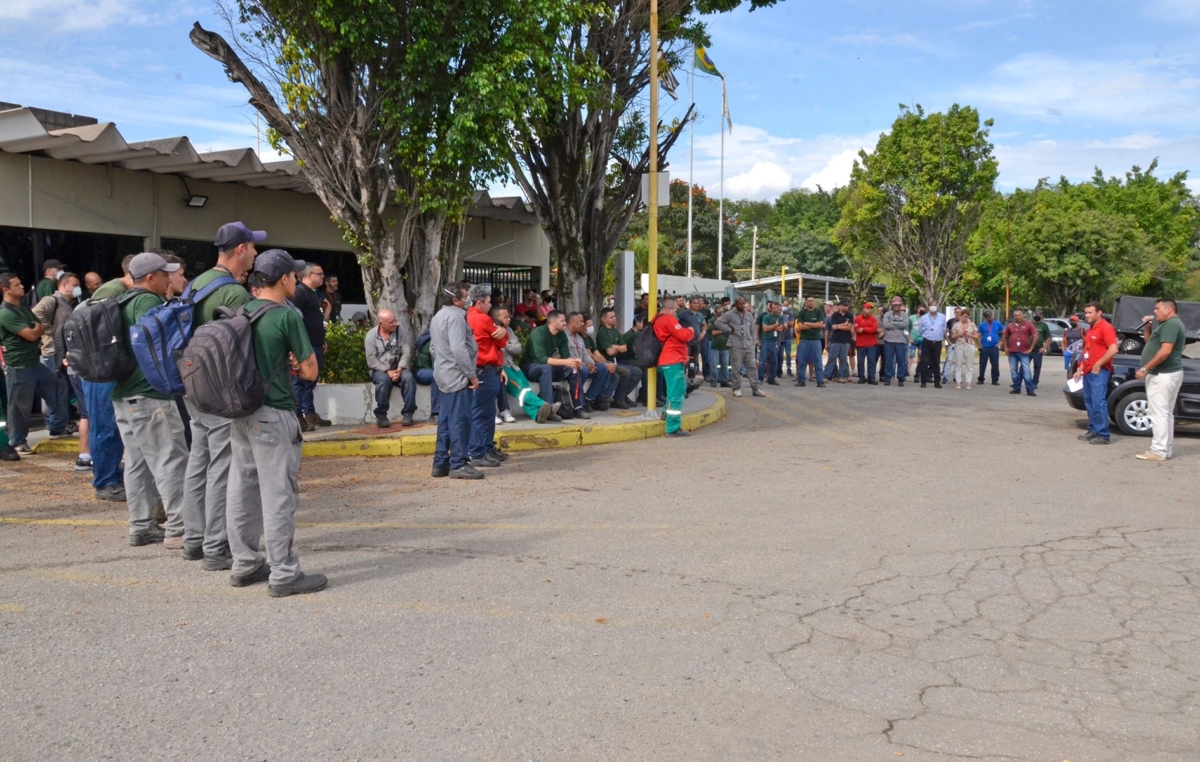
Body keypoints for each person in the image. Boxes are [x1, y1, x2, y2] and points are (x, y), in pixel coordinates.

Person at [225, 249, 327, 596]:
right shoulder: (286, 316)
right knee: (278, 493)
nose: (297, 281)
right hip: (274, 412)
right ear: (283, 279)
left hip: (241, 411)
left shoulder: (244, 310)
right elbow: (310, 370)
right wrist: (294, 364)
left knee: (242, 488)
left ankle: (244, 563)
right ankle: (284, 573)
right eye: (294, 277)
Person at [180, 221, 261, 570]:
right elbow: (246, 349)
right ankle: (216, 546)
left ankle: (193, 538)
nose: (256, 253)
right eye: (253, 247)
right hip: (219, 391)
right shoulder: (235, 294)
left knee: (198, 461)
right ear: (240, 249)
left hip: (192, 385)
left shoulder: (196, 284)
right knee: (223, 466)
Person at [110, 253, 189, 547]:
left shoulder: (123, 301)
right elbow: (156, 347)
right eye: (164, 274)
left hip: (124, 395)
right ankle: (180, 528)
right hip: (150, 395)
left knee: (137, 463)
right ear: (151, 278)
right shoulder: (147, 302)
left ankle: (141, 526)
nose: (169, 279)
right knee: (170, 460)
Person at [84, 255, 135, 502]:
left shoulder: (112, 289)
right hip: (101, 368)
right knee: (105, 425)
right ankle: (105, 481)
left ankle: (110, 473)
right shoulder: (113, 292)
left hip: (102, 367)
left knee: (109, 425)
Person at [0, 273, 67, 457]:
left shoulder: (21, 306)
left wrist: (35, 330)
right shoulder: (5, 312)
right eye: (17, 284)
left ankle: (57, 426)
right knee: (20, 405)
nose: (22, 286)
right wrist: (35, 330)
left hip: (33, 363)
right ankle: (17, 441)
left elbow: (39, 326)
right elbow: (31, 334)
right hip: (18, 365)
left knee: (56, 385)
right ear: (6, 290)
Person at [430, 282, 481, 479]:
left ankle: (440, 463)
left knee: (445, 420)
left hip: (443, 374)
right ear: (455, 299)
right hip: (457, 376)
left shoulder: (438, 316)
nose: (467, 299)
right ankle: (459, 463)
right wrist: (472, 375)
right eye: (464, 296)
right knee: (460, 420)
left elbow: (434, 348)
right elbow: (459, 349)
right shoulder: (457, 317)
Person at [1134, 298, 1186, 461]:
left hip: (1162, 374)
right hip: (1168, 374)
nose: (1154, 311)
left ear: (1169, 310)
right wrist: (1148, 328)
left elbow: (1165, 352)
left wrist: (1145, 368)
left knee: (1159, 414)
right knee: (1166, 413)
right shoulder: (1167, 325)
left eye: (1157, 308)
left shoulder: (1171, 325)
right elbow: (1151, 344)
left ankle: (1158, 450)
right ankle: (1165, 449)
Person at [31, 271, 79, 445]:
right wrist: (50, 330)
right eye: (74, 285)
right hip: (53, 352)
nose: (77, 288)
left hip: (66, 351)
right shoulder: (52, 300)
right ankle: (55, 425)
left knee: (65, 389)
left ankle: (62, 423)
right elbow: (36, 313)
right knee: (57, 390)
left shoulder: (70, 303)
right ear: (64, 285)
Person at [494, 304, 558, 423]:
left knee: (525, 389)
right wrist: (505, 344)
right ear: (496, 318)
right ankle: (545, 406)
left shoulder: (509, 330)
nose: (509, 319)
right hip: (502, 366)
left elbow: (518, 348)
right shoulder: (492, 331)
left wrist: (505, 344)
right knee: (520, 389)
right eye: (506, 317)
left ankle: (536, 414)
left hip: (513, 366)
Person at [466, 284, 506, 468]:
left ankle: (486, 448)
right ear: (480, 302)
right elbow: (502, 341)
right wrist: (503, 332)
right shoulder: (482, 318)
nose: (491, 305)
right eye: (489, 302)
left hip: (484, 370)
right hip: (484, 369)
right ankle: (478, 452)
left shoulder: (469, 317)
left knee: (487, 412)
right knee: (482, 413)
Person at [1072, 302, 1118, 446]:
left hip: (1099, 371)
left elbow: (1113, 349)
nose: (1087, 315)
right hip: (1088, 371)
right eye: (1086, 313)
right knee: (1090, 402)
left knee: (1099, 402)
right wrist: (1080, 369)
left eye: (1090, 312)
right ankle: (1094, 429)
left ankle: (1103, 434)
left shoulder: (1106, 327)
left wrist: (1098, 364)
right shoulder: (1091, 329)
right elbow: (1087, 350)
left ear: (1099, 313)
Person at [291, 262, 329, 431]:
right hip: (305, 346)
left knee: (311, 381)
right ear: (308, 275)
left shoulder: (313, 293)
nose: (322, 277)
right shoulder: (299, 293)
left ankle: (310, 414)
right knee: (301, 381)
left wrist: (322, 339)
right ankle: (299, 416)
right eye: (319, 274)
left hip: (316, 343)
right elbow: (294, 319)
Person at [365, 309, 417, 428]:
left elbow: (406, 352)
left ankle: (408, 413)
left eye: (394, 320)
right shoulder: (371, 336)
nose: (394, 324)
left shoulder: (400, 331)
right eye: (390, 322)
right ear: (381, 323)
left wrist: (399, 369)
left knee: (408, 378)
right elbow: (371, 360)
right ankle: (381, 415)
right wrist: (387, 371)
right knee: (383, 381)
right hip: (379, 369)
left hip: (398, 367)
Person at [653, 298, 695, 437]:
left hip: (666, 361)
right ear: (670, 309)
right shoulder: (668, 319)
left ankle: (666, 414)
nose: (676, 312)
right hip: (672, 360)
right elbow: (683, 335)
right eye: (676, 310)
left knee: (676, 391)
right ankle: (672, 428)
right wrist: (690, 330)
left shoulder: (657, 319)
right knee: (676, 395)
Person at [522, 310, 579, 409]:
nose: (565, 323)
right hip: (531, 367)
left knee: (574, 369)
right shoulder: (538, 333)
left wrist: (574, 361)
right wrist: (566, 362)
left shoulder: (562, 334)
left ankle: (579, 406)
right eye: (562, 321)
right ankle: (549, 406)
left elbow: (566, 355)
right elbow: (541, 359)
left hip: (548, 368)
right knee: (546, 368)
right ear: (553, 322)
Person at [714, 297, 764, 398]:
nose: (742, 306)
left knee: (752, 367)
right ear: (736, 304)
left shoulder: (749, 315)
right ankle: (736, 388)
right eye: (739, 304)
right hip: (736, 345)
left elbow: (752, 330)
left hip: (748, 345)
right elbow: (718, 322)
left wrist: (753, 343)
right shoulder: (730, 314)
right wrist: (728, 329)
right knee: (736, 368)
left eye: (743, 304)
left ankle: (755, 388)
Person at [566, 311, 613, 413]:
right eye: (581, 321)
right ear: (573, 321)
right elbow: (568, 355)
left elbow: (585, 353)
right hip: (571, 365)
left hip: (583, 365)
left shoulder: (578, 337)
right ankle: (579, 400)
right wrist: (585, 364)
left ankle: (589, 398)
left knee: (602, 368)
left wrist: (591, 363)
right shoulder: (564, 336)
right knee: (583, 370)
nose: (583, 324)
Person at [595, 307, 642, 408]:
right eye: (611, 317)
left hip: (616, 362)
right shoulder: (602, 332)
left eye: (614, 316)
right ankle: (619, 399)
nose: (614, 318)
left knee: (637, 371)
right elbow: (610, 352)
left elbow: (625, 348)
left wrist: (613, 346)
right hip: (607, 362)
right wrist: (617, 347)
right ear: (604, 319)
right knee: (626, 372)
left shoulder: (615, 331)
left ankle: (623, 395)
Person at [1002, 309, 1037, 396]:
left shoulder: (1029, 324)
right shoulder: (1010, 325)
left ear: (1023, 315)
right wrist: (1006, 347)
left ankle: (1030, 390)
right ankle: (1016, 388)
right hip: (1012, 352)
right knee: (1014, 371)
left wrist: (1031, 349)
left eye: (1019, 315)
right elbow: (1005, 336)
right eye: (1016, 315)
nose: (1017, 317)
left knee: (1026, 371)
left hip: (1024, 352)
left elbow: (1035, 336)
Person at [793, 296, 826, 388]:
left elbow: (820, 325)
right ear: (806, 302)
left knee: (818, 361)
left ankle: (820, 381)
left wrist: (807, 323)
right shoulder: (802, 313)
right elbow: (800, 327)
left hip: (816, 340)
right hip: (804, 340)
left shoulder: (819, 312)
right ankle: (801, 381)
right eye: (809, 301)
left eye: (812, 301)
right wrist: (814, 325)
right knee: (802, 361)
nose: (811, 302)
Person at [879, 297, 909, 386]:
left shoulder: (905, 315)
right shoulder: (887, 314)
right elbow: (886, 325)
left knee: (901, 360)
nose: (896, 306)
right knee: (888, 360)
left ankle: (901, 378)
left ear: (900, 305)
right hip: (889, 340)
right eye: (895, 305)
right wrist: (898, 325)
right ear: (892, 305)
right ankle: (888, 378)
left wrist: (892, 323)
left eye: (898, 305)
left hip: (901, 341)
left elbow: (905, 324)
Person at [916, 303, 946, 388]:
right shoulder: (924, 317)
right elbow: (920, 330)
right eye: (931, 305)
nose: (933, 307)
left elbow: (944, 328)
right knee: (924, 362)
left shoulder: (942, 317)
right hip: (927, 341)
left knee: (936, 362)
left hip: (937, 341)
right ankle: (923, 381)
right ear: (928, 307)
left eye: (935, 305)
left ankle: (937, 382)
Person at [413, 330, 439, 422]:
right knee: (437, 376)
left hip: (432, 369)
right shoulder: (432, 342)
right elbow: (434, 365)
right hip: (421, 371)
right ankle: (435, 413)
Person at [949, 309, 979, 389]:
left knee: (969, 364)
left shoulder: (972, 324)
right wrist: (959, 334)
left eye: (966, 316)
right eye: (963, 316)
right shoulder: (956, 324)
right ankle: (958, 382)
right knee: (958, 364)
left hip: (970, 344)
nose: (965, 318)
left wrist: (969, 335)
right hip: (959, 344)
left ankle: (968, 383)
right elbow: (953, 336)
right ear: (961, 316)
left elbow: (976, 336)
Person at [824, 302, 853, 383]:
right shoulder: (835, 315)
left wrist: (838, 326)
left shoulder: (850, 315)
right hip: (835, 340)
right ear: (840, 306)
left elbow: (849, 328)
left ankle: (841, 376)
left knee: (843, 359)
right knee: (832, 358)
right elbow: (833, 327)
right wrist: (844, 324)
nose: (845, 307)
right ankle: (826, 376)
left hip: (846, 340)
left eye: (846, 305)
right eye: (844, 305)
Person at [854, 301, 880, 385]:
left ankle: (871, 377)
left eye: (870, 309)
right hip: (861, 343)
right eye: (867, 308)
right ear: (863, 309)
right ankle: (861, 377)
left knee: (871, 361)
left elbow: (874, 329)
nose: (869, 310)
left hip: (871, 343)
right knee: (860, 361)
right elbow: (857, 329)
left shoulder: (873, 318)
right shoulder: (858, 318)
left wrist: (864, 329)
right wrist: (869, 329)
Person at [757, 301, 782, 386]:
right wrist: (775, 325)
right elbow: (765, 329)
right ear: (770, 308)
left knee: (774, 360)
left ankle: (771, 378)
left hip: (775, 341)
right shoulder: (766, 317)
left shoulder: (780, 317)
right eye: (774, 308)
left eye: (777, 308)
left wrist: (771, 327)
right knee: (762, 360)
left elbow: (780, 329)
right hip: (766, 341)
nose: (776, 309)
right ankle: (760, 378)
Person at [977, 310, 1003, 385]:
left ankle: (995, 379)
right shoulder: (982, 325)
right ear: (985, 318)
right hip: (984, 347)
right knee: (982, 363)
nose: (990, 318)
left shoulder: (997, 323)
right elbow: (978, 336)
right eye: (988, 317)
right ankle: (981, 378)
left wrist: (1002, 342)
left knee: (995, 364)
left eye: (991, 316)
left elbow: (1004, 332)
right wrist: (979, 345)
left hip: (994, 346)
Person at [708, 305, 731, 388]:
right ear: (715, 312)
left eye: (722, 312)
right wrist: (724, 330)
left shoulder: (726, 320)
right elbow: (713, 332)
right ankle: (713, 381)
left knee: (725, 365)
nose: (721, 313)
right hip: (715, 346)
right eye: (719, 312)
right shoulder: (712, 320)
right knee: (714, 365)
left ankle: (724, 381)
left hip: (725, 346)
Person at [1030, 310, 1052, 390]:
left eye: (1039, 314)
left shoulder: (1044, 325)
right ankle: (1018, 381)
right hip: (1028, 349)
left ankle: (1035, 382)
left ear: (1042, 316)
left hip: (1038, 350)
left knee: (1037, 366)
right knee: (1023, 366)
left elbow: (1048, 338)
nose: (1037, 315)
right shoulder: (1029, 324)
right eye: (1036, 314)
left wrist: (1044, 348)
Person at [908, 306, 925, 376]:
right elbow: (909, 329)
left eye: (924, 311)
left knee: (920, 356)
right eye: (921, 310)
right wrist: (910, 338)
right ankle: (908, 370)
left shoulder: (925, 318)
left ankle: (918, 371)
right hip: (913, 339)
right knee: (911, 356)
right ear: (918, 310)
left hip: (922, 339)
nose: (922, 312)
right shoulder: (911, 318)